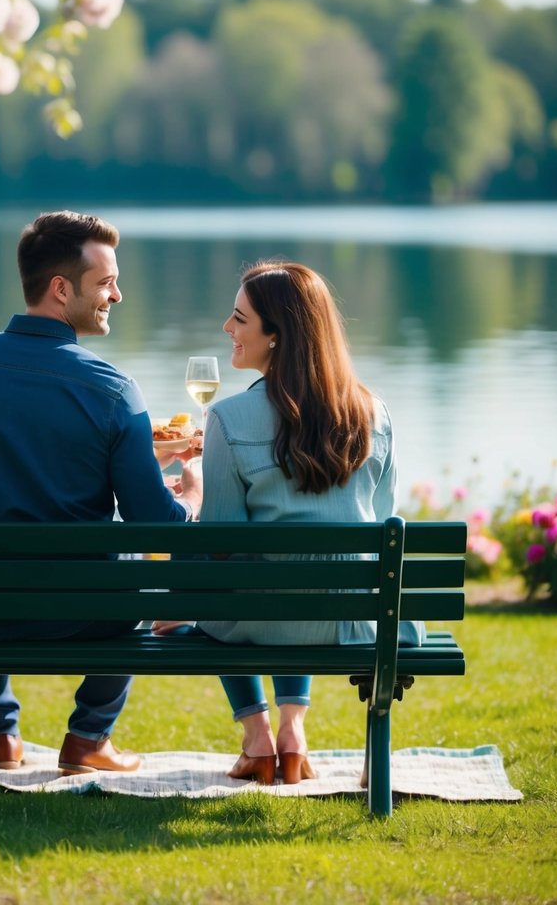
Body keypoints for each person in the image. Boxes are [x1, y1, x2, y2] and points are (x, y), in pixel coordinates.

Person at [0, 210, 202, 776]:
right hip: (84, 613)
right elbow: (154, 523)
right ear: (61, 288)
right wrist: (190, 496)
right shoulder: (114, 389)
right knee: (136, 562)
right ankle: (88, 736)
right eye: (106, 283)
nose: (117, 295)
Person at [153, 260, 422, 786]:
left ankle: (258, 737)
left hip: (261, 620)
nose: (227, 329)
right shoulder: (377, 414)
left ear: (277, 336)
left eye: (239, 319)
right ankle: (293, 733)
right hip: (360, 622)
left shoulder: (229, 419)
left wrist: (197, 497)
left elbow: (222, 550)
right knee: (299, 571)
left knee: (226, 574)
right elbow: (383, 525)